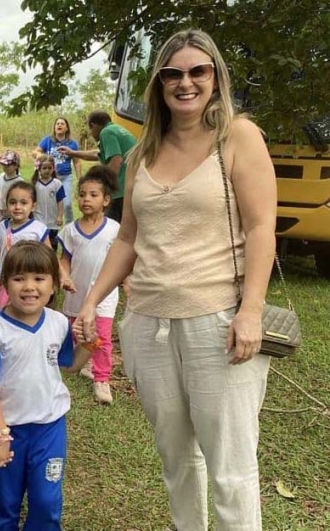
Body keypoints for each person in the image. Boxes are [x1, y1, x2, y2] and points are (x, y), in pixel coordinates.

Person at [73, 29, 276, 531]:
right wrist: (93, 299)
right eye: (173, 73)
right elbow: (127, 242)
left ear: (215, 78)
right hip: (147, 324)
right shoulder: (144, 152)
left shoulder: (239, 137)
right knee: (178, 462)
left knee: (231, 470)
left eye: (197, 71)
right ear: (160, 83)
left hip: (219, 324)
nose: (185, 82)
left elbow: (260, 227)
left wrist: (251, 310)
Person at [0, 241, 92, 531]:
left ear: (54, 285)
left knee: (46, 501)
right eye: (19, 278)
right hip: (9, 430)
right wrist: (0, 434)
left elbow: (69, 365)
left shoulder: (58, 323)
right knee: (3, 502)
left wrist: (89, 346)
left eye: (39, 278)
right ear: (5, 283)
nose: (29, 286)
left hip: (49, 428)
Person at [58, 166, 120, 404]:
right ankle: (82, 363)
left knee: (100, 336)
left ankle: (101, 378)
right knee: (76, 334)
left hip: (104, 298)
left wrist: (126, 282)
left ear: (105, 200)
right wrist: (64, 276)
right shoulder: (70, 231)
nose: (86, 199)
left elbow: (120, 262)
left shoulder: (115, 230)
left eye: (93, 195)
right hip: (76, 296)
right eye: (82, 194)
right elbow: (64, 261)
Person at [0, 181, 51, 310]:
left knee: (27, 312)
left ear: (33, 206)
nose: (17, 207)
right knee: (4, 314)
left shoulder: (38, 229)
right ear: (6, 205)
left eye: (23, 203)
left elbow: (49, 256)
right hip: (5, 282)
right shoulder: (1, 228)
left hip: (28, 282)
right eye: (12, 202)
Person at [59, 110, 137, 222]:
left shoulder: (106, 133)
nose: (90, 134)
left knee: (110, 227)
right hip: (133, 187)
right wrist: (73, 153)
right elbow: (98, 154)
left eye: (90, 130)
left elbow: (116, 160)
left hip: (120, 191)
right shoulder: (117, 130)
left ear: (93, 125)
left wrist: (104, 185)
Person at [33, 117, 81, 222]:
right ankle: (49, 224)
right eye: (57, 124)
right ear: (54, 127)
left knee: (67, 204)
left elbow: (77, 162)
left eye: (62, 124)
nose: (59, 125)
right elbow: (35, 152)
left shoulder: (72, 143)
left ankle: (69, 226)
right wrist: (42, 156)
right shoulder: (47, 140)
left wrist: (79, 179)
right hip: (50, 177)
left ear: (67, 128)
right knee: (49, 202)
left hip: (65, 177)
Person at [32, 154, 66, 248]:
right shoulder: (35, 184)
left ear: (53, 168)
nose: (47, 170)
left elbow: (60, 201)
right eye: (44, 168)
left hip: (52, 221)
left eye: (49, 168)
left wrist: (60, 216)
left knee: (52, 244)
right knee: (39, 244)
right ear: (39, 169)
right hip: (38, 218)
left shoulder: (57, 184)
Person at [0, 150, 24, 223]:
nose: (5, 167)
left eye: (7, 165)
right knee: (1, 229)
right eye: (3, 165)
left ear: (16, 166)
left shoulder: (19, 181)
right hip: (1, 208)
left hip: (12, 210)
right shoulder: (1, 177)